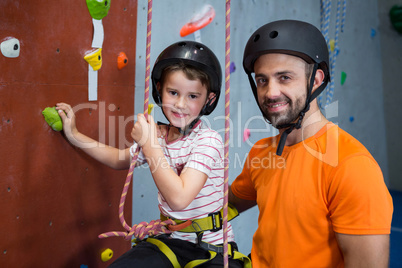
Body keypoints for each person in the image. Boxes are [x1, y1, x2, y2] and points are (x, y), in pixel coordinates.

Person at [57, 41, 250, 267]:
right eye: (173, 92)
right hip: (172, 243)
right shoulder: (158, 137)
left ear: (209, 100)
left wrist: (149, 145)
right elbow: (119, 159)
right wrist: (75, 135)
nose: (180, 104)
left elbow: (179, 198)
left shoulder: (208, 141)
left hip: (213, 250)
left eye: (193, 96)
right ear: (159, 90)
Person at [229, 20, 393, 268]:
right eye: (262, 80)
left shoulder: (351, 166)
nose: (271, 92)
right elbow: (222, 206)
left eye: (284, 77)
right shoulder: (262, 152)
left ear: (316, 80)